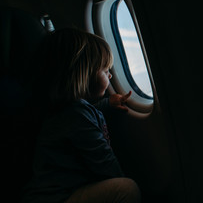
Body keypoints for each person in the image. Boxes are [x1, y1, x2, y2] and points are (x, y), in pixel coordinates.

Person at [21, 28, 141, 203]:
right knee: (126, 189)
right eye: (105, 69)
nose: (110, 74)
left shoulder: (71, 111)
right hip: (57, 198)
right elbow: (104, 162)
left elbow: (88, 112)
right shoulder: (77, 115)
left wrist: (108, 103)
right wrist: (119, 178)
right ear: (84, 74)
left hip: (56, 194)